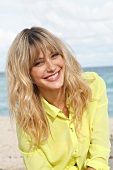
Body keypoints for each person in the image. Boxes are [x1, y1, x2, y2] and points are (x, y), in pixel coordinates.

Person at [6, 26, 111, 170]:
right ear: (26, 74)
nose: (51, 67)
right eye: (38, 63)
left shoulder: (92, 86)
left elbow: (100, 149)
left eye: (54, 55)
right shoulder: (26, 118)